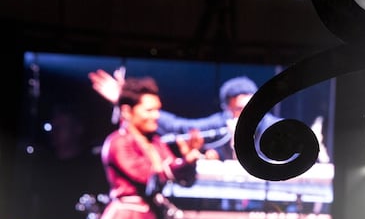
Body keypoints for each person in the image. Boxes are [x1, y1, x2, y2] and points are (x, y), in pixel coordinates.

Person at [89, 69, 330, 163]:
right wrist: (126, 98)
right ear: (228, 109)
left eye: (252, 107)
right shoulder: (220, 125)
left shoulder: (272, 126)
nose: (246, 115)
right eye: (239, 109)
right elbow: (179, 127)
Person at [96, 76, 205, 219]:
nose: (156, 116)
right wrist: (182, 163)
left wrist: (188, 161)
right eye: (149, 110)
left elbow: (176, 173)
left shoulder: (155, 142)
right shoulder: (118, 142)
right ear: (127, 111)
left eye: (158, 110)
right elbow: (148, 176)